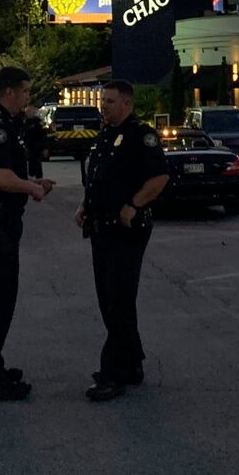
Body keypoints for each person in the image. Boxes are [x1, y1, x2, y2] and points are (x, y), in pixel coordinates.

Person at [76, 79, 169, 402]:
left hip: (126, 230)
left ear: (127, 104)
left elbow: (159, 177)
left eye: (111, 101)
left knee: (116, 299)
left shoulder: (139, 136)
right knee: (112, 300)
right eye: (103, 101)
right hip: (101, 229)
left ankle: (112, 373)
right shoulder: (105, 135)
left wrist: (134, 204)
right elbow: (101, 179)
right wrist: (84, 207)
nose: (104, 105)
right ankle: (132, 363)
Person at [0, 67, 55, 401]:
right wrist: (32, 187)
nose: (28, 97)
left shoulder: (3, 122)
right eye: (26, 91)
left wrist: (32, 181)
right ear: (9, 92)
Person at [23, 105, 47, 178]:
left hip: (37, 146)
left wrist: (45, 148)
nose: (29, 113)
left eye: (30, 112)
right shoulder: (24, 122)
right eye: (28, 112)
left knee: (37, 163)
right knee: (29, 163)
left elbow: (43, 136)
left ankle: (38, 177)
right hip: (27, 146)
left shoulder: (38, 123)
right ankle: (30, 176)